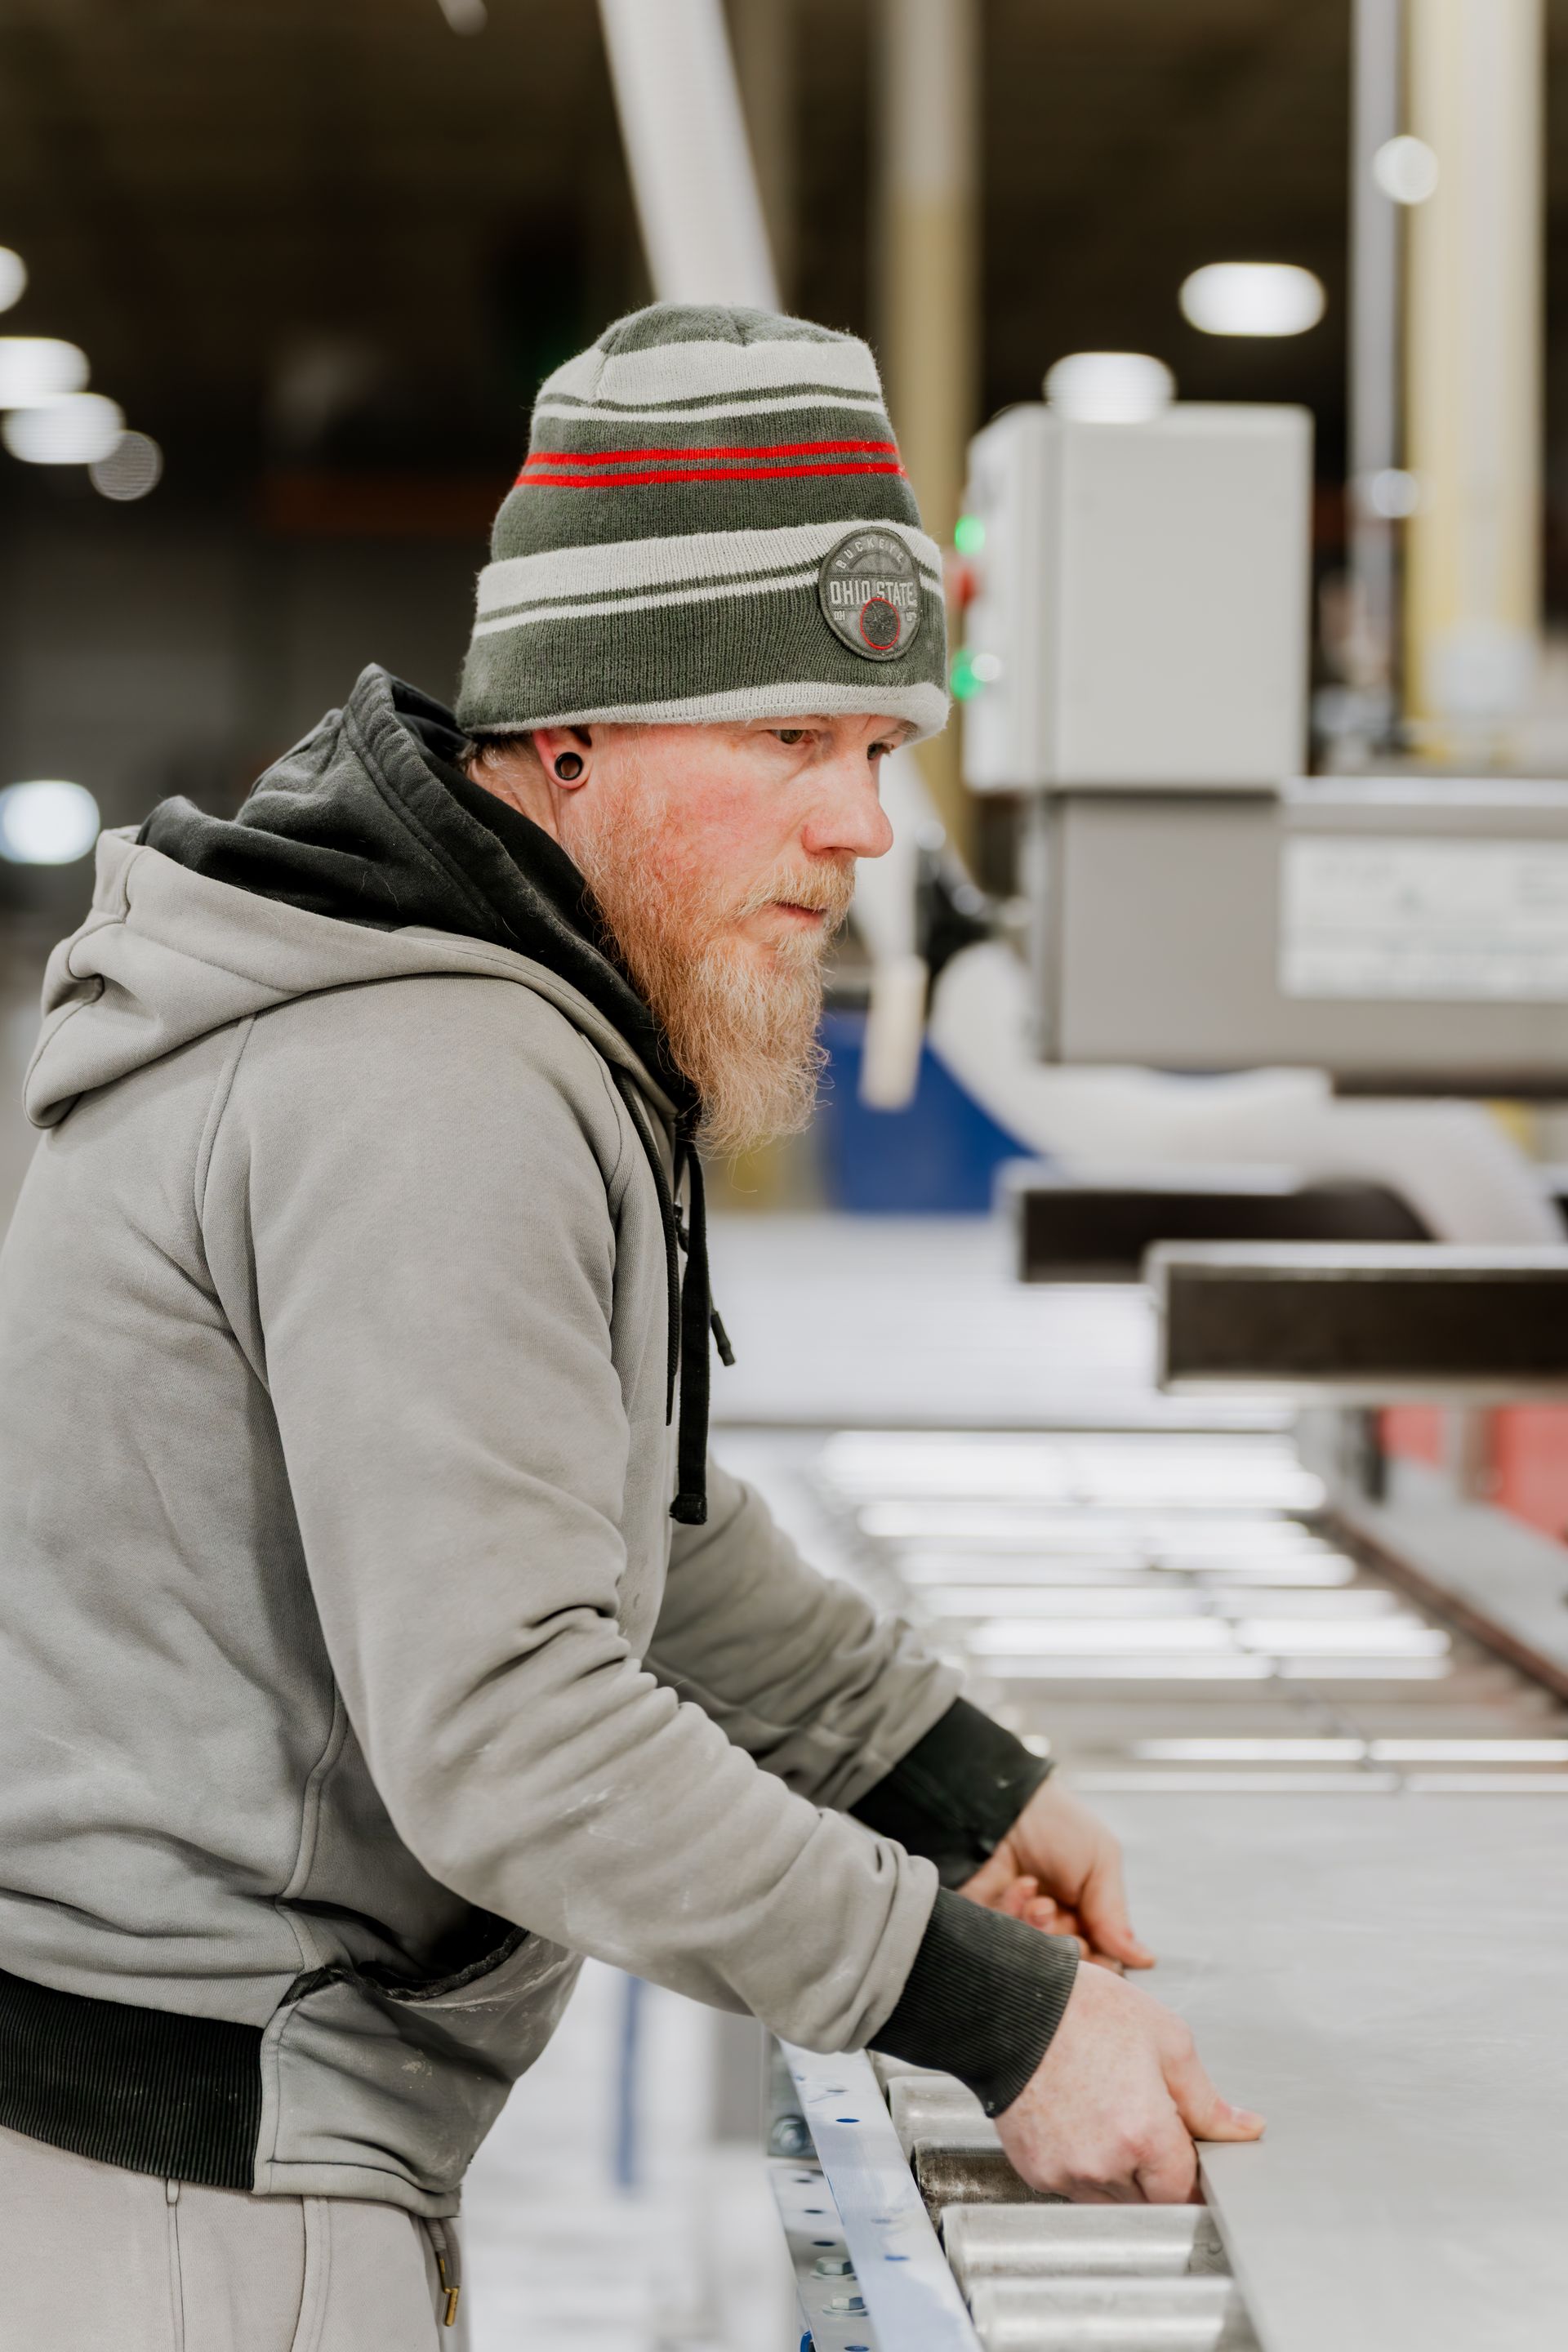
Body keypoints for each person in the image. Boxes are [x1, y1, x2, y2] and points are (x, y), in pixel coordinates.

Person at [0, 303, 1262, 2349]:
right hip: (181, 2197)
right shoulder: (434, 1079)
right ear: (572, 738)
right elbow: (509, 1723)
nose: (857, 829)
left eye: (876, 753)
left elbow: (600, 1527)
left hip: (196, 2147)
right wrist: (1001, 2018)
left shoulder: (454, 1008)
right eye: (789, 740)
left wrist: (959, 1785)